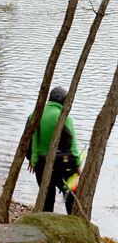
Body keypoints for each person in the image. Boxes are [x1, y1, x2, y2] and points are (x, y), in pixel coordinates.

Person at [27, 86, 82, 214]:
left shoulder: (34, 114)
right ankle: (75, 225)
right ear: (64, 101)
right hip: (61, 164)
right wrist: (77, 164)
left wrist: (31, 159)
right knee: (70, 196)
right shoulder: (64, 116)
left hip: (40, 164)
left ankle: (46, 226)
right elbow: (71, 144)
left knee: (47, 198)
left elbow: (27, 139)